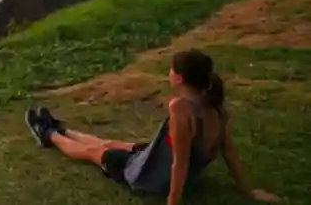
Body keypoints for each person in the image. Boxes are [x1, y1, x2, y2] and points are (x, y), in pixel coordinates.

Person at [25, 49, 279, 204]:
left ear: (178, 78)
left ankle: (48, 133)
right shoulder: (215, 105)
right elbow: (229, 154)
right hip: (155, 159)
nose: (168, 73)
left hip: (148, 177)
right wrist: (249, 191)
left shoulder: (180, 109)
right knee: (111, 144)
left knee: (95, 152)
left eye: (170, 70)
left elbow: (178, 164)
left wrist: (172, 202)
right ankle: (61, 128)